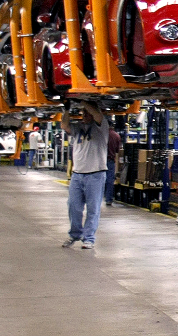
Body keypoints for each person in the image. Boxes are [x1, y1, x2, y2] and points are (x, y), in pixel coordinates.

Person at [60, 100, 109, 249]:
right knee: (73, 207)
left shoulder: (102, 127)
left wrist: (83, 100)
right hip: (77, 175)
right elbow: (64, 125)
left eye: (88, 113)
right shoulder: (78, 128)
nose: (85, 115)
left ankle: (89, 238)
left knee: (93, 209)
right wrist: (67, 110)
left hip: (95, 175)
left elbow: (97, 115)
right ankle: (75, 234)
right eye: (83, 113)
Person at [104, 128, 121, 206]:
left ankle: (97, 198)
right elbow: (117, 150)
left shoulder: (102, 134)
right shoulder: (116, 136)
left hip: (100, 161)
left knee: (98, 179)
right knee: (110, 180)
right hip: (110, 160)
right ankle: (109, 199)